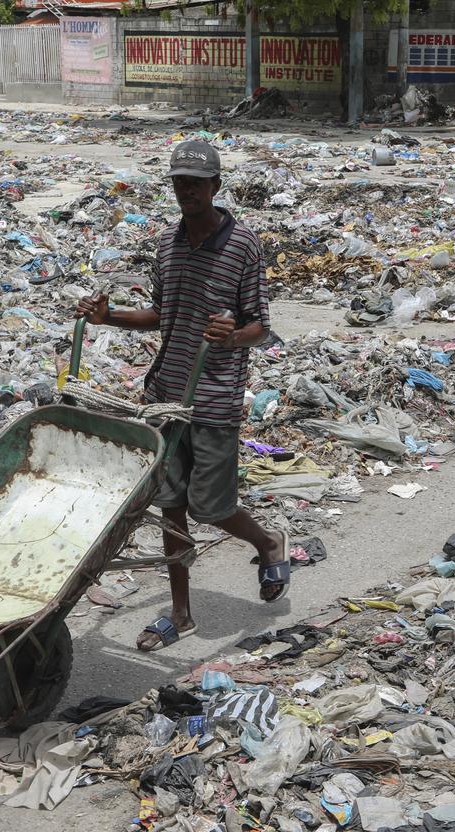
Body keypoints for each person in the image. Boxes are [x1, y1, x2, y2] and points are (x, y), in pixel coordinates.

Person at [75, 140, 289, 652]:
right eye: (179, 182)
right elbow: (161, 314)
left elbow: (262, 325)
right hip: (166, 392)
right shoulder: (167, 246)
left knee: (209, 508)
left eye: (196, 182)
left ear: (216, 185)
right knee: (169, 505)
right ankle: (180, 613)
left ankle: (267, 542)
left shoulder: (243, 246)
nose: (187, 190)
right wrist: (110, 319)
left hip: (214, 394)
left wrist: (233, 336)